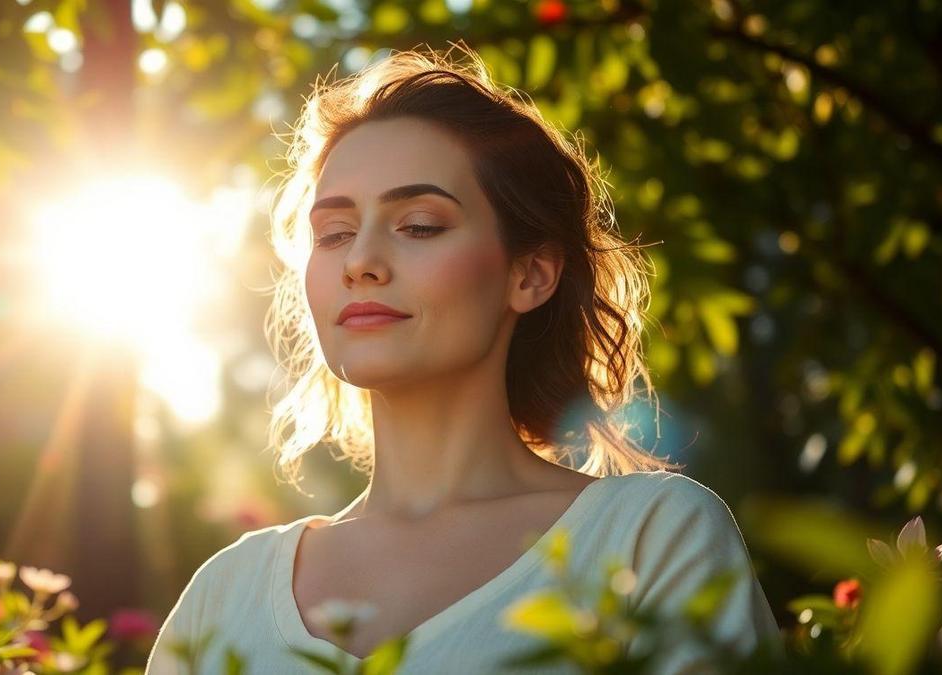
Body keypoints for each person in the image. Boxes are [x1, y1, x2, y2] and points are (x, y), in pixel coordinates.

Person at [146, 43, 782, 674]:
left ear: (529, 275)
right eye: (334, 233)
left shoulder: (648, 536)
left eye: (419, 225)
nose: (360, 260)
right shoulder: (222, 597)